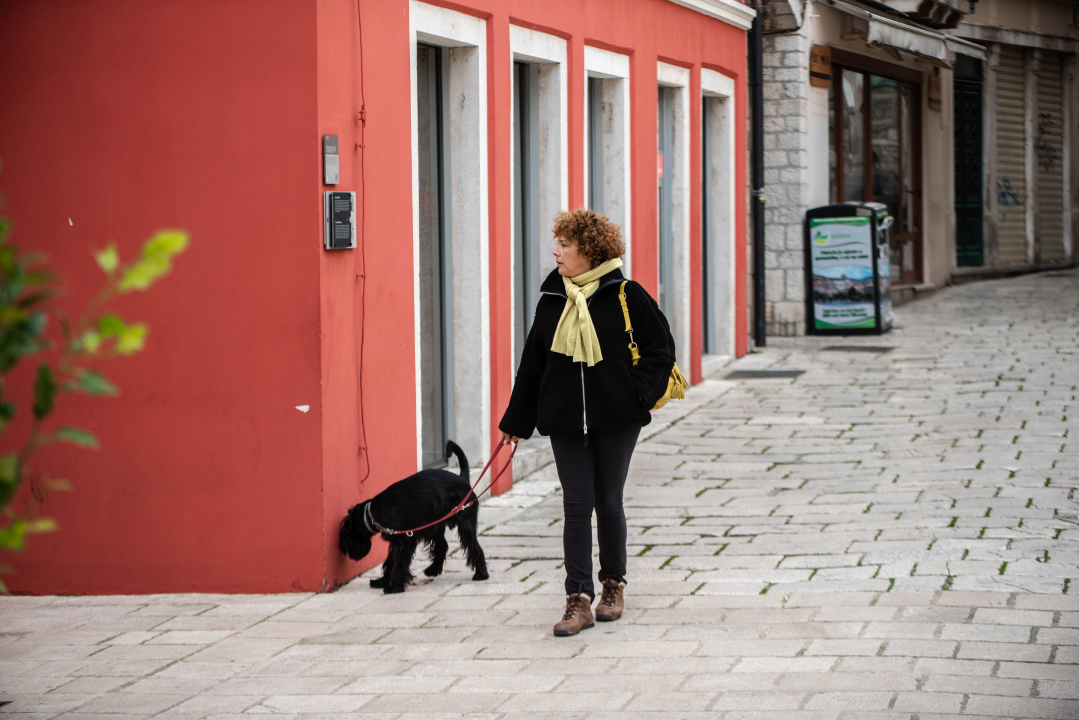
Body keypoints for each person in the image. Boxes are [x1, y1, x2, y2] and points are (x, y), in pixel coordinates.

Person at [499, 207, 675, 637]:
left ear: (590, 251)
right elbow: (532, 365)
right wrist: (516, 420)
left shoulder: (627, 294)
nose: (556, 251)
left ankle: (612, 586)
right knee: (576, 505)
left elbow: (660, 350)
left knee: (608, 502)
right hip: (564, 419)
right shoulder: (552, 299)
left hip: (617, 417)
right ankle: (577, 599)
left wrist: (635, 393)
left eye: (565, 244)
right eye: (557, 243)